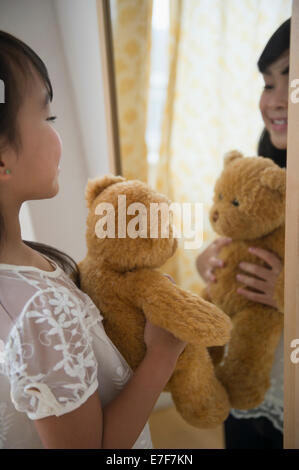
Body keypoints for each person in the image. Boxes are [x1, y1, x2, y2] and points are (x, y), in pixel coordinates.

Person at [0, 30, 187, 449]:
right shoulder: (40, 310)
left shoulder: (29, 267)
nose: (56, 132)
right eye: (47, 118)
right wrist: (163, 353)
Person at [196, 18, 289, 449]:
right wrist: (208, 263)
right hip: (246, 383)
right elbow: (235, 238)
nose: (273, 101)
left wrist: (288, 291)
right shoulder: (264, 171)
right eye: (267, 83)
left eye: (289, 82)